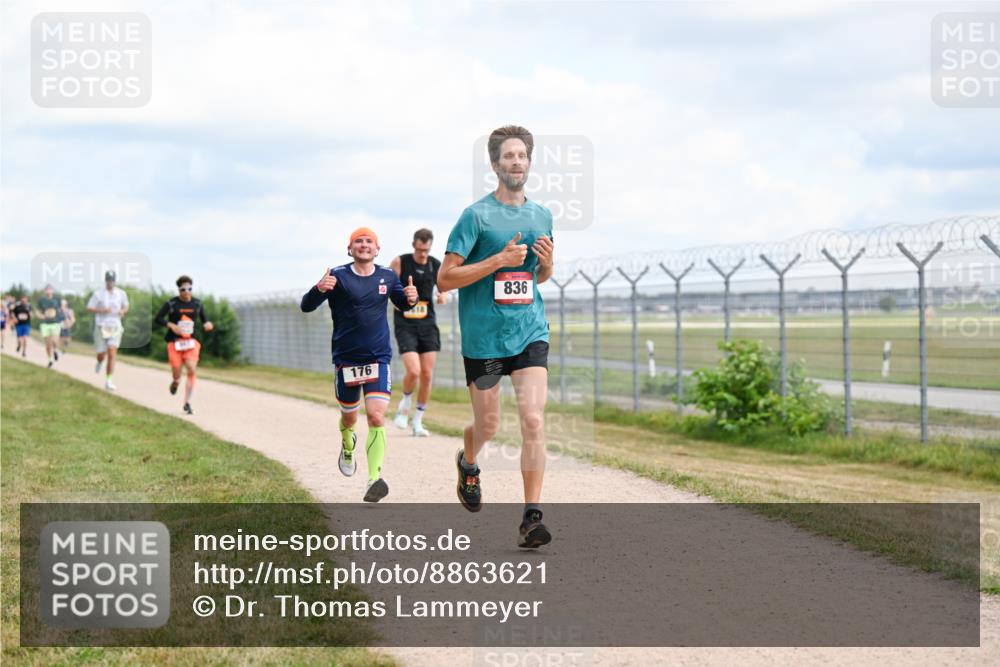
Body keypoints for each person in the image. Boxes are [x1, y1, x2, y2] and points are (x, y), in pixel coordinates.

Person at [438, 125, 556, 549]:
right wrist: (497, 260)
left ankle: (531, 517)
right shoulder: (475, 217)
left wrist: (547, 263)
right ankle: (468, 462)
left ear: (529, 162)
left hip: (528, 331)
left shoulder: (541, 215)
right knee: (488, 425)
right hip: (484, 338)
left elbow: (538, 276)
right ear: (494, 164)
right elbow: (446, 278)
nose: (516, 162)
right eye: (508, 156)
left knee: (533, 419)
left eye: (522, 155)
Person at [300, 227, 418, 502]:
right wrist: (318, 289)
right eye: (358, 241)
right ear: (349, 249)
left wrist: (410, 299)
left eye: (369, 242)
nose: (364, 245)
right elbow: (306, 306)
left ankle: (374, 478)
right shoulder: (337, 276)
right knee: (350, 417)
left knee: (376, 416)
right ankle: (347, 443)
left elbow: (403, 304)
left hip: (378, 357)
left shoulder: (387, 276)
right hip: (346, 359)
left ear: (377, 249)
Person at [390, 228, 449, 437]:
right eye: (420, 249)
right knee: (413, 371)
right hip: (405, 324)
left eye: (427, 249)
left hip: (428, 325)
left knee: (426, 374)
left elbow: (445, 286)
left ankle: (418, 421)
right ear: (414, 245)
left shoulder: (435, 264)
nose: (423, 254)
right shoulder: (400, 262)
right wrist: (396, 300)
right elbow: (387, 286)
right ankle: (404, 405)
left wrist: (443, 295)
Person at [154, 275, 214, 415]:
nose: (186, 292)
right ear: (179, 290)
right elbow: (157, 319)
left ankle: (188, 403)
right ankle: (175, 382)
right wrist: (171, 325)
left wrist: (207, 324)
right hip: (175, 343)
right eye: (183, 289)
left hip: (191, 342)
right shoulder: (171, 304)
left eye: (189, 289)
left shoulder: (197, 304)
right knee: (177, 372)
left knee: (191, 369)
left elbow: (205, 320)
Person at [87, 270, 129, 391]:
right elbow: (89, 307)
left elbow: (126, 306)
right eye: (109, 280)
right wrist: (102, 310)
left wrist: (123, 311)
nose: (111, 282)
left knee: (112, 351)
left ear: (115, 281)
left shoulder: (121, 293)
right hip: (101, 326)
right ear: (106, 280)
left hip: (115, 326)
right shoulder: (98, 294)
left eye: (112, 280)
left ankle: (109, 380)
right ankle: (99, 362)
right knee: (101, 354)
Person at [37, 285, 62, 368]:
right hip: (45, 324)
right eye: (47, 289)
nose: (48, 291)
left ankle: (55, 351)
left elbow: (60, 310)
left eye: (50, 289)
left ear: (53, 291)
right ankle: (50, 360)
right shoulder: (41, 300)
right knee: (48, 344)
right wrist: (42, 316)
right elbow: (38, 312)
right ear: (45, 291)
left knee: (54, 341)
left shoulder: (57, 299)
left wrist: (61, 318)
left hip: (55, 323)